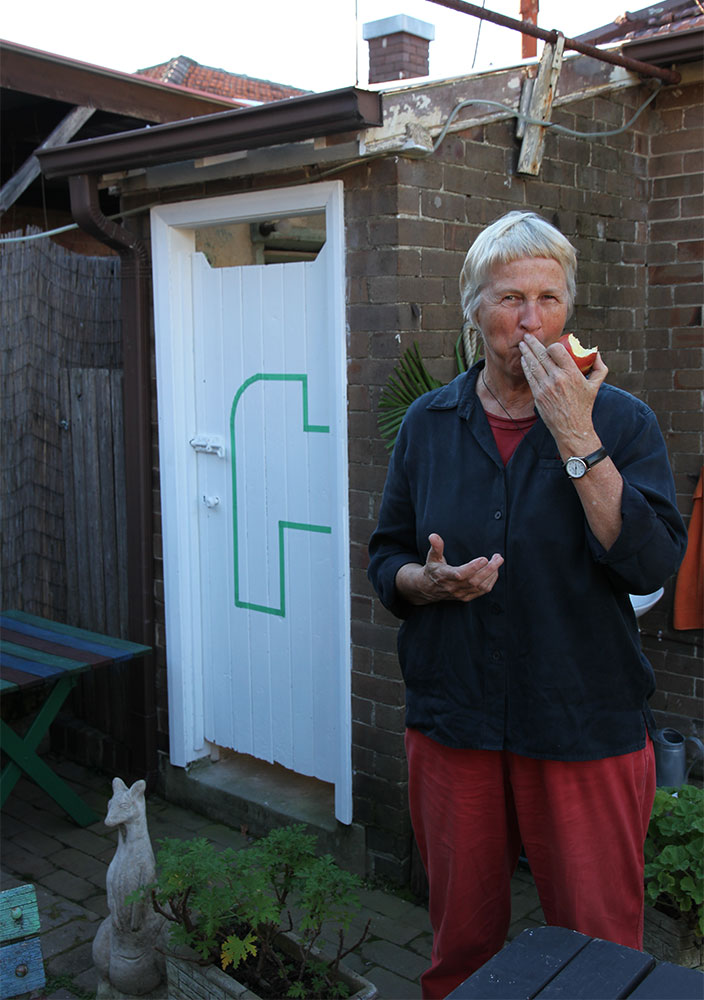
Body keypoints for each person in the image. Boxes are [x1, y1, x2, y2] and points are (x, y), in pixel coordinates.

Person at [367, 211, 687, 1000]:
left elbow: (651, 563)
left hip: (584, 722)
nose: (531, 320)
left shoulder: (622, 421)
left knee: (600, 954)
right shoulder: (429, 425)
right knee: (460, 949)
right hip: (456, 719)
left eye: (549, 298)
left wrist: (576, 433)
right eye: (511, 298)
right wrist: (424, 583)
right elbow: (386, 556)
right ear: (474, 310)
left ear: (568, 309)